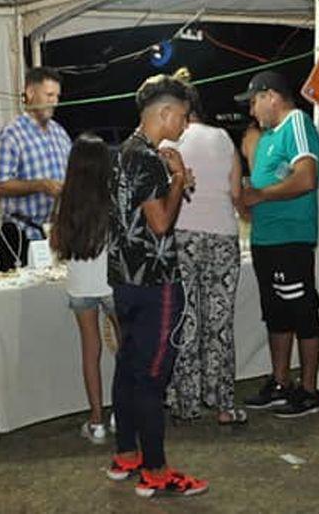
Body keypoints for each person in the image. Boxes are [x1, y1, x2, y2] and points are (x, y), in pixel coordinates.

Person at [105, 75, 207, 498]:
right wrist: (179, 177)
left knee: (128, 366)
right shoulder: (148, 159)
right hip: (155, 281)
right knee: (151, 377)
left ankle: (127, 454)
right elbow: (161, 224)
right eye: (182, 117)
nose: (185, 126)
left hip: (124, 279)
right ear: (164, 113)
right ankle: (157, 471)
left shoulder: (121, 152)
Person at [235, 71, 319, 418]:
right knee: (276, 313)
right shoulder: (269, 136)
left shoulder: (297, 123)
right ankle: (279, 381)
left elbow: (306, 177)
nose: (252, 111)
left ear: (272, 96)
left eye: (254, 102)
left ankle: (309, 389)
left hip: (291, 237)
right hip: (266, 239)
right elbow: (267, 180)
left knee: (301, 311)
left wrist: (260, 194)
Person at [162, 81, 247, 426]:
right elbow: (236, 191)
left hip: (183, 235)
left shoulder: (168, 144)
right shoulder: (223, 138)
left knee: (188, 319)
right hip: (224, 236)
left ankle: (186, 402)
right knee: (220, 323)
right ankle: (223, 401)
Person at [48, 134, 120, 444]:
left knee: (90, 352)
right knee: (126, 350)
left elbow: (56, 242)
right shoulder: (112, 196)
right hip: (113, 282)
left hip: (80, 285)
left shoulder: (66, 198)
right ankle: (121, 413)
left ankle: (96, 421)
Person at [0, 67, 72, 245]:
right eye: (49, 95)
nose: (54, 102)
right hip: (23, 237)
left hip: (57, 235)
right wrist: (40, 185)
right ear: (31, 93)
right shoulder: (11, 135)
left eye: (57, 97)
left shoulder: (60, 133)